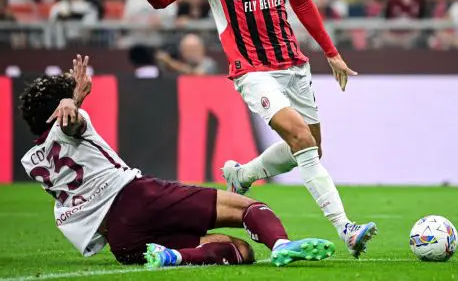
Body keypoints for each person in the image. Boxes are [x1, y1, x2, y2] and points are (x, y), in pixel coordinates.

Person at [127, 0, 377, 257]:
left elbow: (302, 0)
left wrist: (331, 52)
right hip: (253, 70)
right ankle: (347, 228)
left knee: (310, 149)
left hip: (293, 64)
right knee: (301, 140)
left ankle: (242, 175)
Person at [20, 55, 335, 268]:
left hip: (121, 240)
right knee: (248, 208)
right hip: (137, 199)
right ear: (60, 108)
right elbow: (70, 124)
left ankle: (174, 256)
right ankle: (280, 244)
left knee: (240, 251)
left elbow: (61, 133)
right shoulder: (73, 122)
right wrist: (71, 100)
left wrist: (66, 102)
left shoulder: (32, 161)